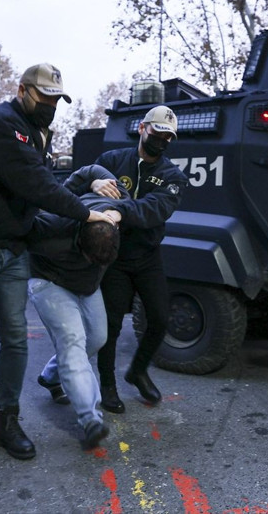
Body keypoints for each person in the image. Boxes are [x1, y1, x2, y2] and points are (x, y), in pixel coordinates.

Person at [0, 63, 115, 460]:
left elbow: (47, 188)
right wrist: (88, 215)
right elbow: (38, 186)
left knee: (15, 338)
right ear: (22, 91)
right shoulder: (3, 125)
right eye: (44, 97)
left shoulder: (36, 135)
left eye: (56, 100)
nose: (50, 105)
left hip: (12, 251)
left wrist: (91, 186)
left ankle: (7, 420)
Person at [83, 105, 187, 413]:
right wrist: (93, 183)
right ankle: (107, 385)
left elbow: (154, 210)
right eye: (158, 133)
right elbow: (82, 189)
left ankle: (137, 371)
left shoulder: (173, 176)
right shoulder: (112, 162)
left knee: (159, 318)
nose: (163, 140)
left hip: (147, 256)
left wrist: (120, 210)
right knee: (111, 327)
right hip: (114, 257)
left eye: (169, 137)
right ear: (142, 128)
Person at [27, 165, 125, 449]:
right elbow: (40, 206)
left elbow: (99, 173)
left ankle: (50, 377)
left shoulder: (114, 210)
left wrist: (96, 181)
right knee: (72, 341)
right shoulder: (50, 227)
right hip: (50, 280)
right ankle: (89, 418)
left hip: (86, 286)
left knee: (97, 338)